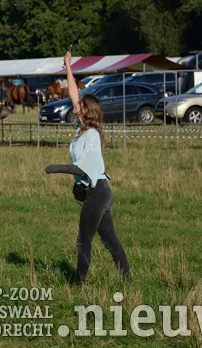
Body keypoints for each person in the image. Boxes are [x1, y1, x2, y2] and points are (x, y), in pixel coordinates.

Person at [63, 50, 131, 285]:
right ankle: (127, 279)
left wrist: (68, 172)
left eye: (79, 103)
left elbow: (86, 166)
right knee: (109, 238)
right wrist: (68, 67)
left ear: (85, 110)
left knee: (84, 240)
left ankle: (76, 283)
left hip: (97, 192)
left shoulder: (91, 135)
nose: (75, 102)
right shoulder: (80, 128)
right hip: (94, 191)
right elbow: (73, 91)